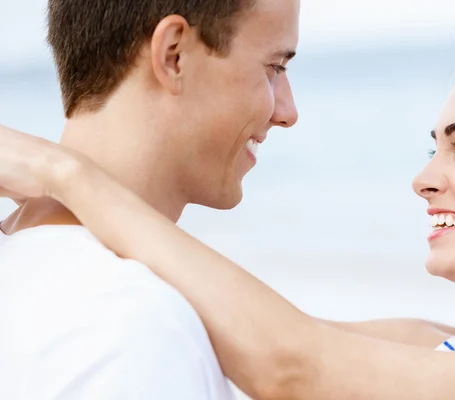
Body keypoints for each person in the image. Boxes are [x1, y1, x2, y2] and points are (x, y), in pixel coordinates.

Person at [2, 47, 455, 399]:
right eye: (432, 149)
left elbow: (288, 362)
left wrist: (66, 173)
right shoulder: (435, 345)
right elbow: (229, 318)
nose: (424, 180)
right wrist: (37, 238)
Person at [0, 0, 301, 398]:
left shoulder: (23, 265)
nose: (288, 111)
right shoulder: (134, 325)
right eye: (274, 68)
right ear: (174, 55)